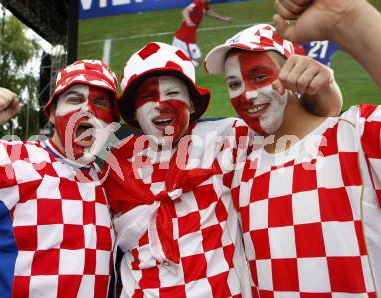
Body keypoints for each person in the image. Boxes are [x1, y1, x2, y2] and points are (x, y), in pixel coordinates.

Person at [205, 17, 381, 297]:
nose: (246, 94)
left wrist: (351, 14)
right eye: (234, 83)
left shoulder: (358, 132)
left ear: (294, 71)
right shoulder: (239, 168)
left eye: (259, 76)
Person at [0, 60, 118, 297]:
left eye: (100, 102)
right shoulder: (9, 161)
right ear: (53, 113)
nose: (88, 110)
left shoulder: (111, 184)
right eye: (74, 99)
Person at [102, 42, 251, 297]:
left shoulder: (225, 138)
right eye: (147, 97)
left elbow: (295, 130)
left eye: (172, 93)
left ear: (192, 105)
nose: (161, 104)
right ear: (135, 114)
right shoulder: (114, 166)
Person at [173, 0, 232, 67]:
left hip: (186, 37)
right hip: (184, 38)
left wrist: (224, 19)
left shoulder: (204, 4)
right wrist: (188, 21)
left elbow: (208, 12)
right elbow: (185, 11)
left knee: (189, 60)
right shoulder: (197, 3)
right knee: (195, 61)